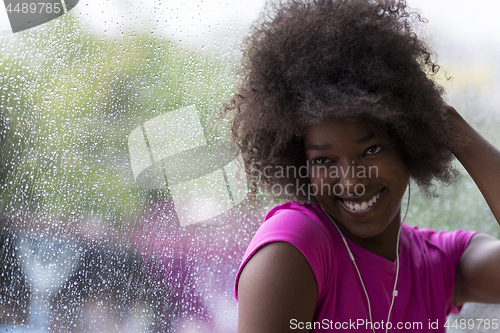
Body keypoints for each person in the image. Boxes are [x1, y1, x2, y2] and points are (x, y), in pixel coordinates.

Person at [225, 0, 500, 332]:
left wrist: (449, 127)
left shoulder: (437, 263)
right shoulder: (295, 246)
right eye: (324, 160)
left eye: (371, 150)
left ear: (410, 145)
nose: (352, 181)